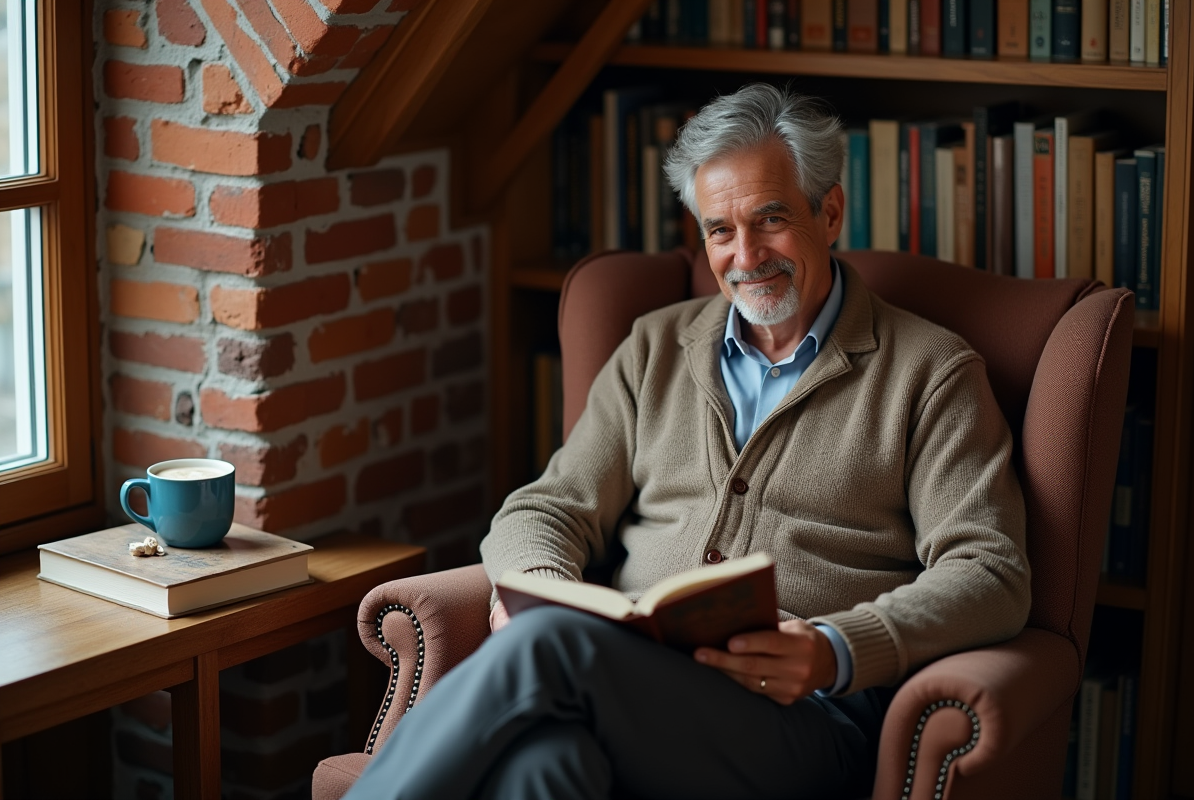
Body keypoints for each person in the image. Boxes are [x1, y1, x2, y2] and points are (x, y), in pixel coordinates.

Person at [344, 83, 1030, 800]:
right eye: (720, 230)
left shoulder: (931, 372)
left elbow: (991, 572)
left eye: (770, 219)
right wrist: (542, 591)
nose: (745, 255)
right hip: (629, 687)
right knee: (543, 765)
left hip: (805, 722)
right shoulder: (655, 347)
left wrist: (836, 650)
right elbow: (546, 508)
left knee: (544, 650)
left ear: (829, 213)